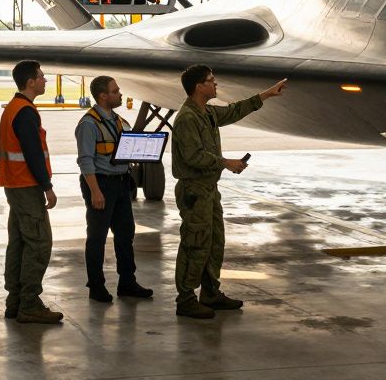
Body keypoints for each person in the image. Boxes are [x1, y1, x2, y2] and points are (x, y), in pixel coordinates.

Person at [172, 65, 287, 319]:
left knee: (214, 243)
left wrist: (266, 95)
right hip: (194, 190)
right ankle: (186, 299)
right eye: (211, 81)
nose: (215, 84)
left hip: (209, 190)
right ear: (199, 87)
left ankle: (210, 293)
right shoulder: (187, 118)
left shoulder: (207, 112)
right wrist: (227, 163)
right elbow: (193, 157)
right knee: (194, 244)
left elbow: (234, 111)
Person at [75, 75, 153, 302]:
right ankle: (96, 286)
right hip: (100, 184)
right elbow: (85, 161)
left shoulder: (119, 121)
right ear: (103, 96)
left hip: (120, 183)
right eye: (116, 91)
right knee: (97, 237)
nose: (120, 94)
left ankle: (127, 282)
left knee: (125, 235)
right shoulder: (89, 124)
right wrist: (95, 191)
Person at [0, 60, 62, 324]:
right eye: (42, 76)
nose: (45, 80)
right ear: (31, 82)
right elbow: (33, 153)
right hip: (26, 185)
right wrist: (47, 186)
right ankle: (29, 303)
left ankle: (15, 301)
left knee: (19, 243)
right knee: (39, 244)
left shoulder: (14, 108)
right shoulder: (24, 112)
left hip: (15, 185)